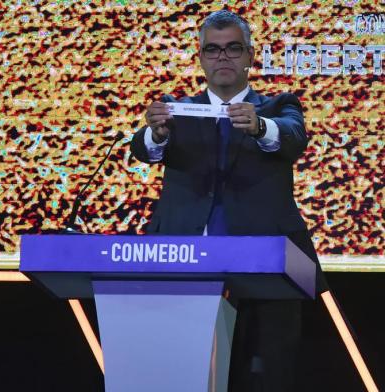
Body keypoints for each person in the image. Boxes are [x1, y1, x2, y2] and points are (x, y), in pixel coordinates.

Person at [131, 9, 326, 392]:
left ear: (250, 57)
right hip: (184, 266)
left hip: (267, 272)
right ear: (201, 57)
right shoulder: (175, 109)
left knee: (265, 379)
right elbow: (144, 149)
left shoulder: (277, 106)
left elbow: (292, 135)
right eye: (213, 50)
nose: (223, 58)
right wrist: (155, 133)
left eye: (233, 49)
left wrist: (258, 126)